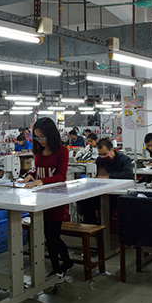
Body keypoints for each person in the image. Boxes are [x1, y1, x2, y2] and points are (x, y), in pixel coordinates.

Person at [18, 118, 73, 278]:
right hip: (40, 198)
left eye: (42, 136)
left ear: (51, 134)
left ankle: (63, 264)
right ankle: (58, 267)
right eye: (37, 137)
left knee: (53, 236)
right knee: (47, 236)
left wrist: (41, 181)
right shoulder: (38, 151)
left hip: (56, 198)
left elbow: (61, 176)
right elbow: (39, 171)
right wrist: (31, 175)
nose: (40, 140)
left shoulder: (62, 151)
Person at [78, 139, 133, 225]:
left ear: (111, 150)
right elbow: (96, 174)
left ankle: (104, 225)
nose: (102, 156)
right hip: (102, 191)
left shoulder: (124, 159)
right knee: (85, 201)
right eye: (100, 154)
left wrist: (108, 176)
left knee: (109, 203)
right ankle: (93, 227)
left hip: (117, 193)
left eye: (104, 154)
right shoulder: (100, 160)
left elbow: (128, 174)